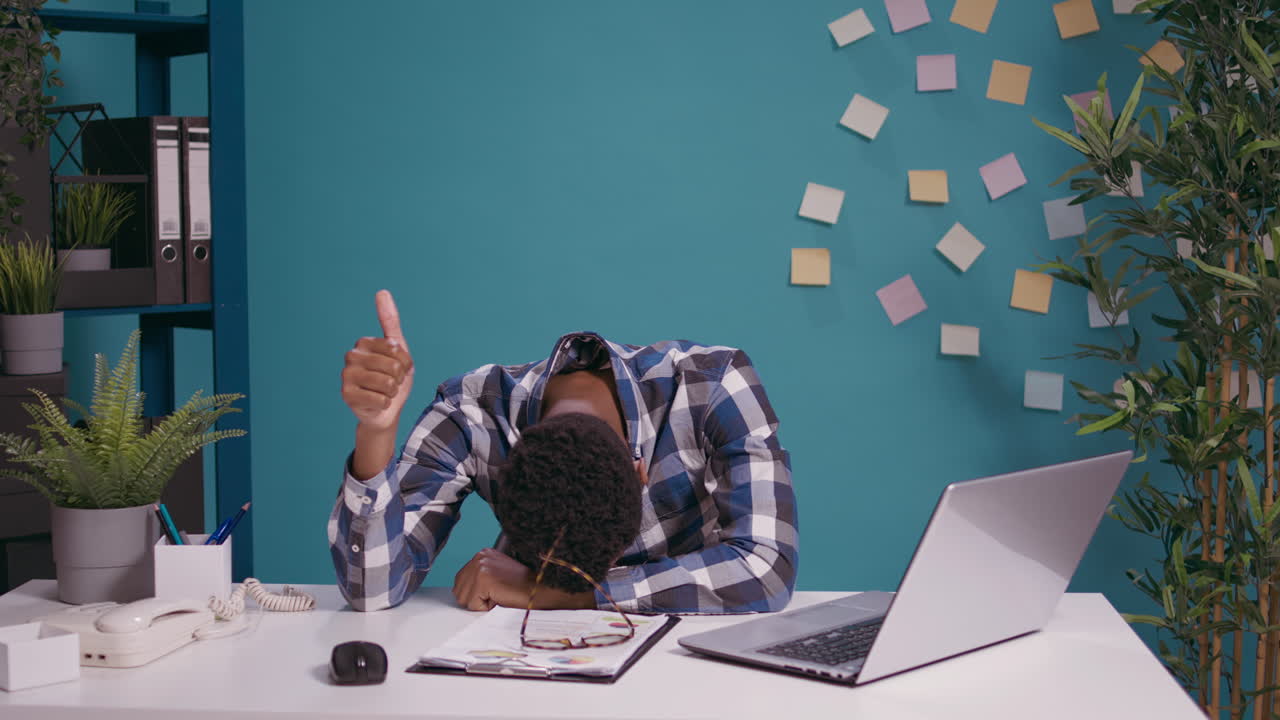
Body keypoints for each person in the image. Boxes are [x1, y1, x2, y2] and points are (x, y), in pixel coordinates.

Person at [329, 290, 798, 614]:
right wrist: (375, 433)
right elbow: (372, 592)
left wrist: (554, 592)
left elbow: (766, 568)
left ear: (641, 472)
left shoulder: (713, 386)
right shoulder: (469, 412)